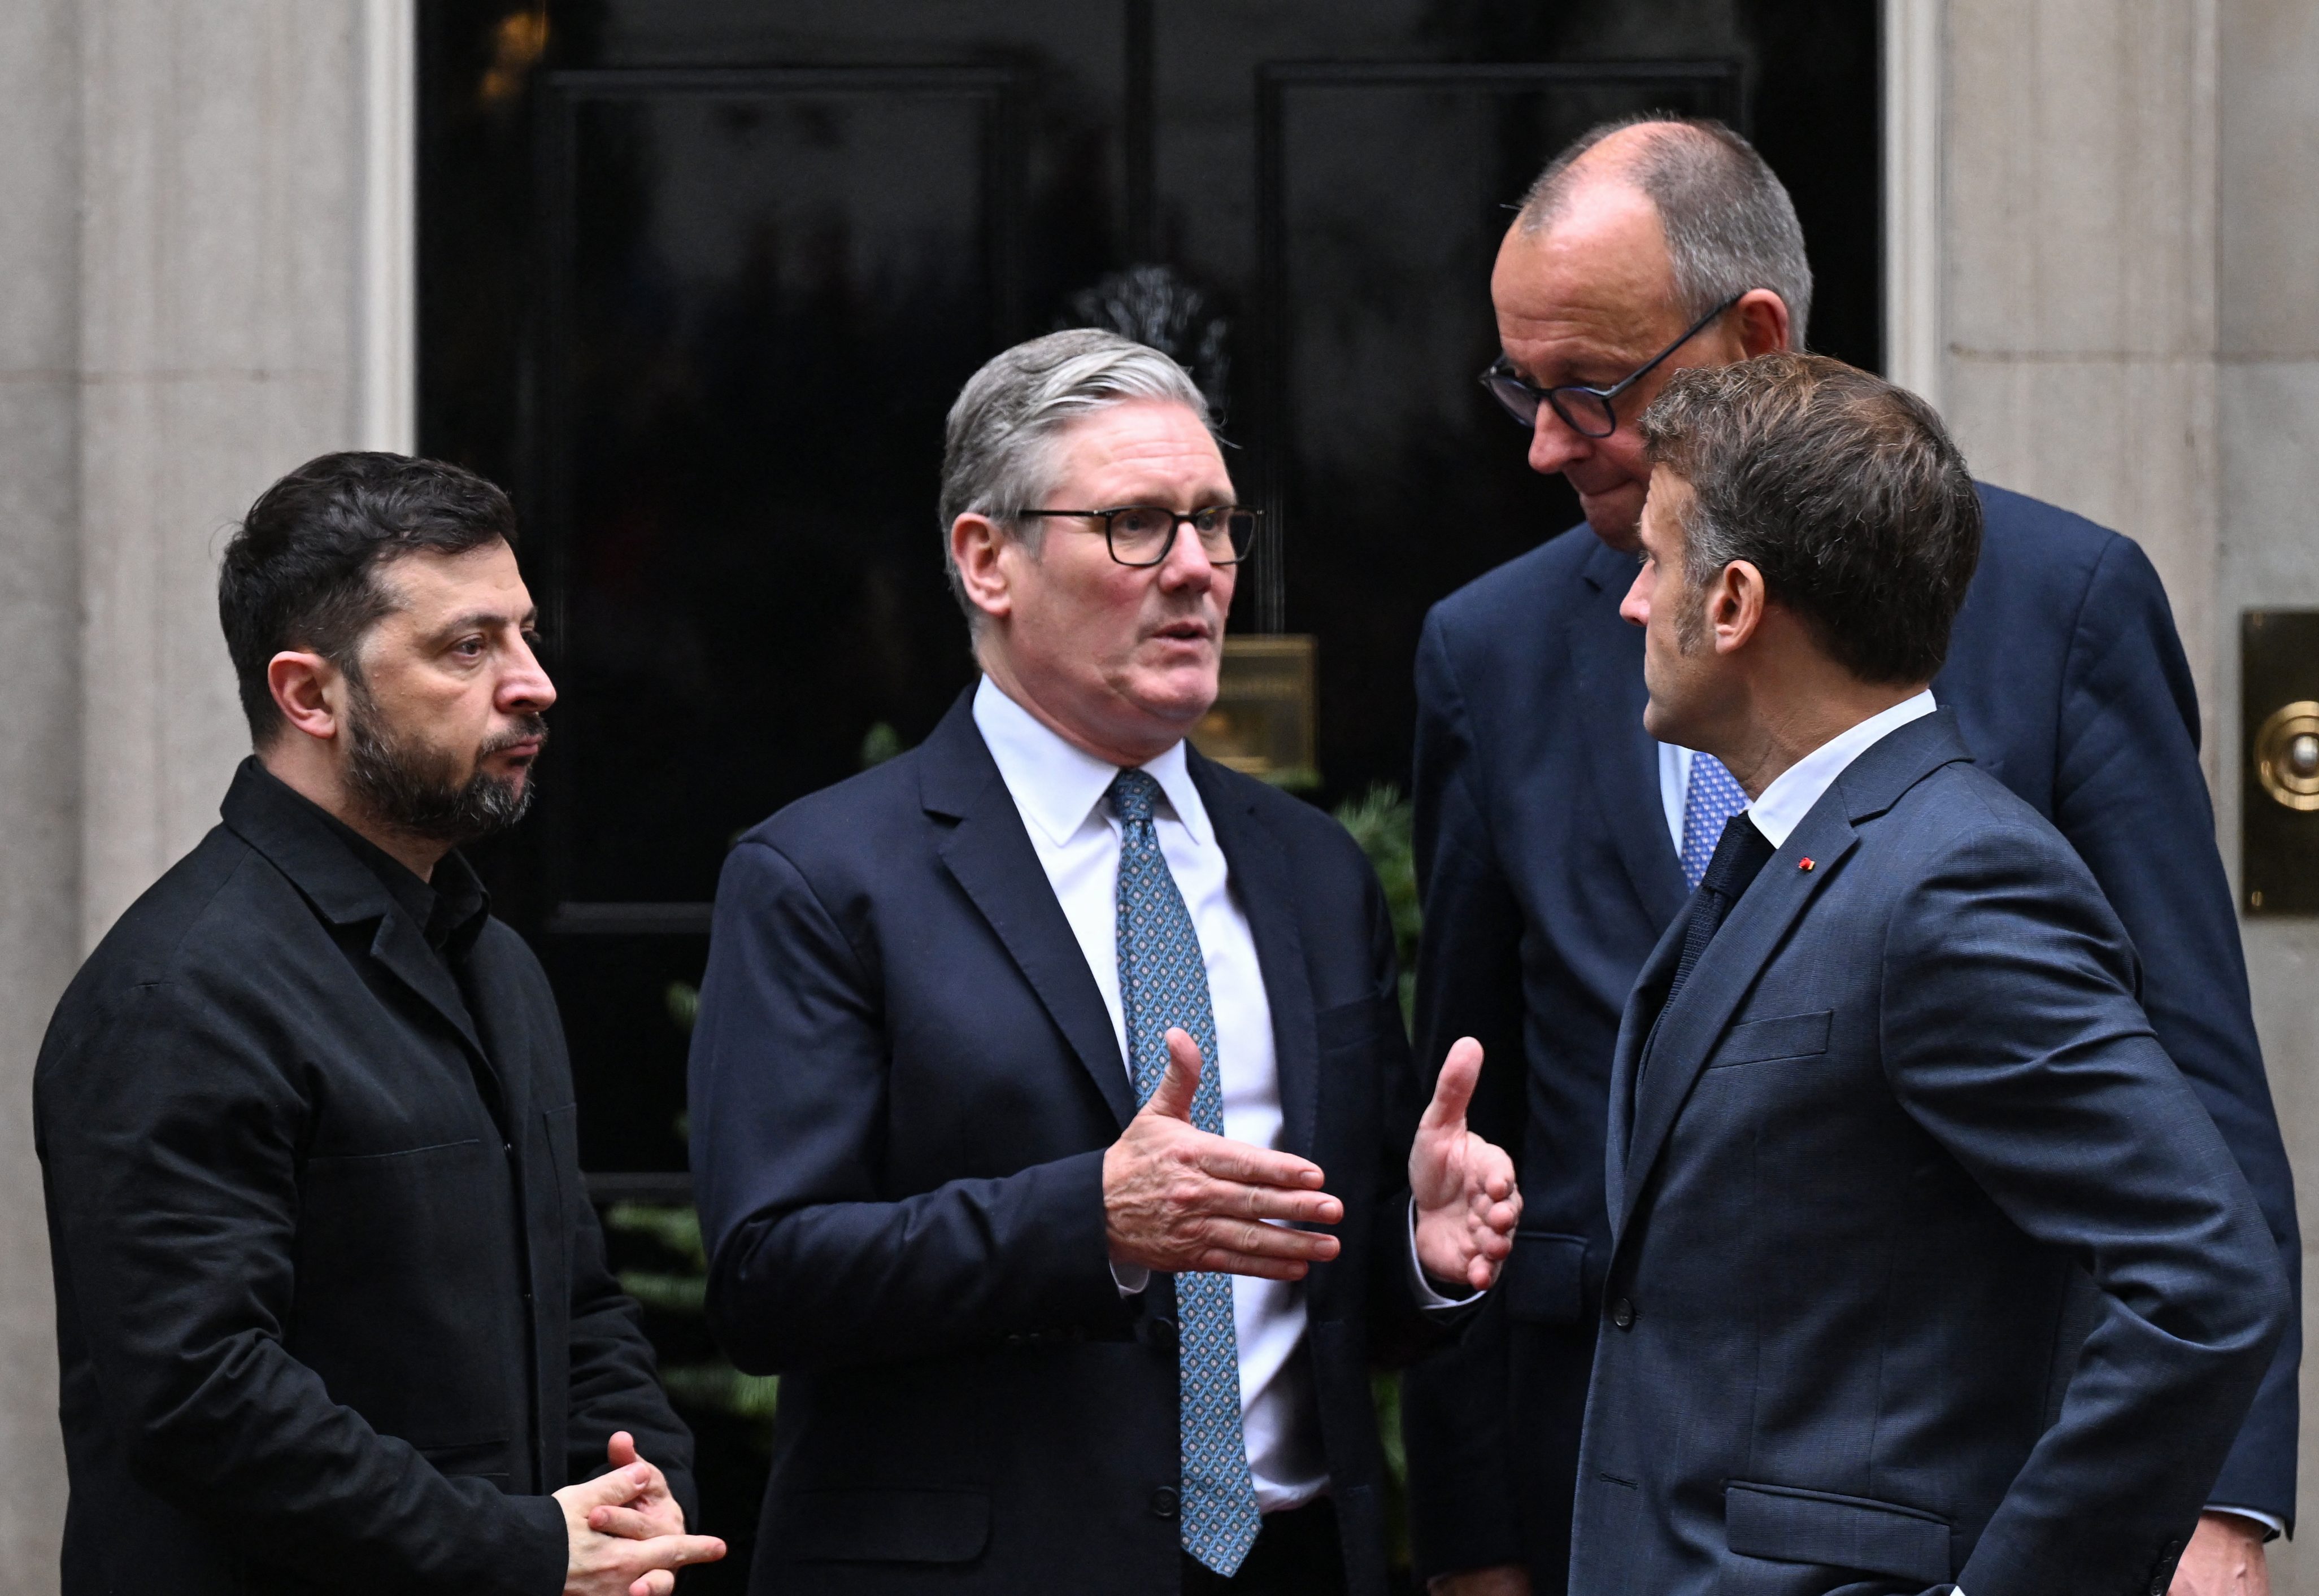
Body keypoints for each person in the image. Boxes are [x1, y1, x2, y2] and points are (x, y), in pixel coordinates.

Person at [1403, 118, 2301, 1596]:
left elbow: (2191, 1128)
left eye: (1588, 389)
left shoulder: (2054, 626)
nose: (1543, 443)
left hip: (1914, 1507)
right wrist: (1477, 1528)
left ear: (1751, 338)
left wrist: (2204, 1508)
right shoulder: (1489, 649)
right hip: (1618, 1505)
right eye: (1521, 385)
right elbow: (1483, 1081)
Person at [687, 329, 1521, 1596]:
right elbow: (768, 1277)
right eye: (1136, 524)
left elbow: (1309, 1268)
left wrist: (1421, 1252)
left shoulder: (1307, 868)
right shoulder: (825, 877)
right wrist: (1095, 1221)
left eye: (1215, 524)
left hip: (1294, 1561)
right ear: (987, 561)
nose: (1195, 570)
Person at [1582, 350, 2286, 1595]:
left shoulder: (1955, 883)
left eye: (1655, 560)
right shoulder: (1809, 849)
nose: (1633, 604)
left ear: (1735, 602)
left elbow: (2205, 1279)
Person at [36, 453, 726, 1595]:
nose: (534, 681)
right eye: (467, 647)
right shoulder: (179, 992)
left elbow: (576, 1302)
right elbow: (204, 1398)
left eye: (524, 633)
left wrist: (640, 1486)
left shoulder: (492, 960)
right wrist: (524, 1548)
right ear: (310, 695)